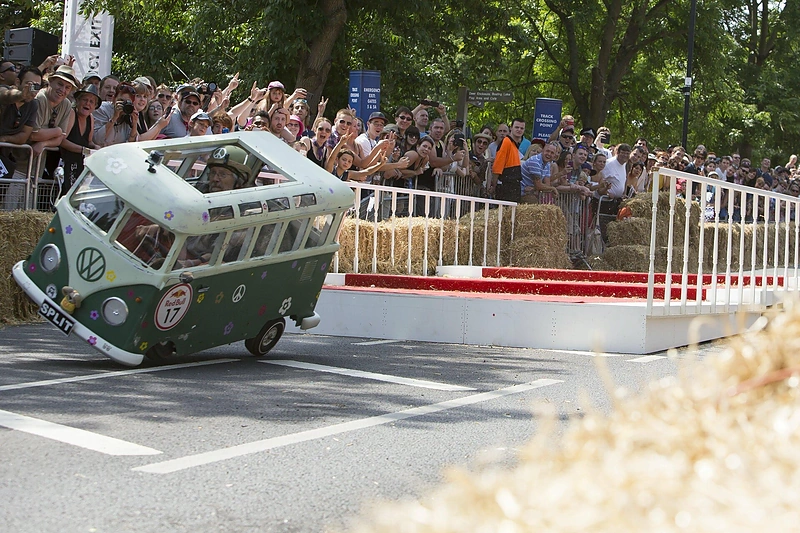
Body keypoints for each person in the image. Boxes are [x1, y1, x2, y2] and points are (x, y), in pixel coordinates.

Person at [0, 66, 43, 210]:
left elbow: (24, 136)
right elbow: (5, 95)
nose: (32, 89)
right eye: (29, 84)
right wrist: (20, 95)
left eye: (36, 86)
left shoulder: (33, 105)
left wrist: (4, 140)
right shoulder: (5, 91)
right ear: (18, 82)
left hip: (6, 158)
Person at [59, 84, 101, 197]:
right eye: (85, 100)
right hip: (65, 161)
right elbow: (62, 140)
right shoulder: (72, 113)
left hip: (80, 164)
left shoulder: (91, 118)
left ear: (95, 106)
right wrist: (83, 150)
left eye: (92, 102)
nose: (88, 103)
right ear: (77, 101)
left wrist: (97, 148)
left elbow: (89, 142)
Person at [490, 118, 525, 202]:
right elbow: (497, 166)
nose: (519, 130)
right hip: (506, 185)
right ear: (511, 128)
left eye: (521, 128)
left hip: (513, 184)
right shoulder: (506, 142)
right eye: (517, 127)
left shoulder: (513, 143)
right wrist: (494, 185)